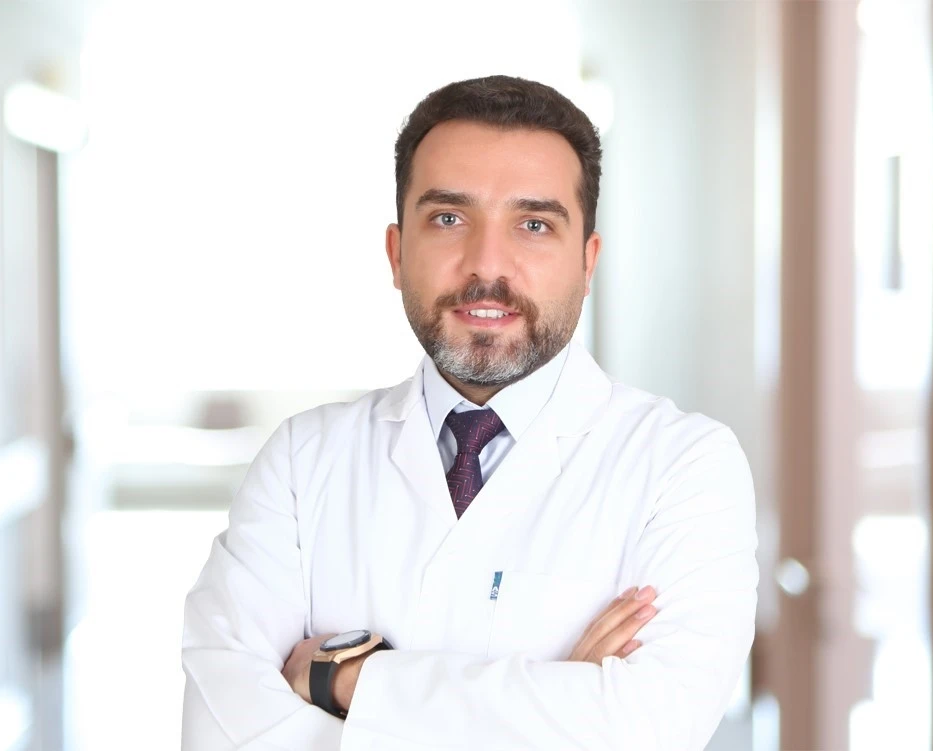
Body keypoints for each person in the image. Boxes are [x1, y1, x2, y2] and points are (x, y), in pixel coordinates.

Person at [181, 74, 758, 751]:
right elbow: (224, 733)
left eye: (534, 224)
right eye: (449, 218)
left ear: (587, 262)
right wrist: (562, 703)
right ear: (397, 253)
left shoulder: (683, 467)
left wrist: (347, 680)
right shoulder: (301, 464)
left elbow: (647, 727)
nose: (487, 265)